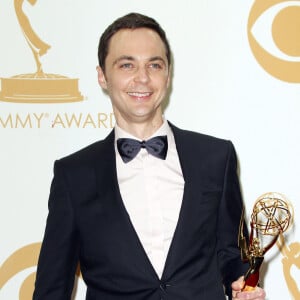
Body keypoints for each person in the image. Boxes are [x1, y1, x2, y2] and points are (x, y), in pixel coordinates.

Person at [33, 12, 266, 300]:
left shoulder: (216, 157)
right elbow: (51, 288)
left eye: (154, 65)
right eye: (126, 64)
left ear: (167, 75)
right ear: (102, 76)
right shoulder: (74, 174)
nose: (142, 78)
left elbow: (232, 252)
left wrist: (242, 282)